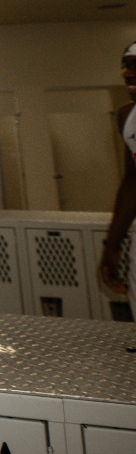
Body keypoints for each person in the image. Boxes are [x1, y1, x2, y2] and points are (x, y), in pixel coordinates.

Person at [99, 41, 136, 314]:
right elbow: (133, 183)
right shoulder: (127, 116)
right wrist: (112, 244)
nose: (128, 74)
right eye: (127, 66)